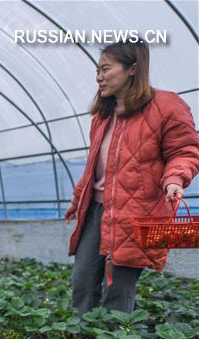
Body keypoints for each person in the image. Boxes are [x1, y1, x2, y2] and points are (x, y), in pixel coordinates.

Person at [65, 39, 199, 316]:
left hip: (137, 211)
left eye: (105, 69)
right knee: (82, 282)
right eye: (97, 70)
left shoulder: (167, 106)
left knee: (119, 288)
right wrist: (78, 200)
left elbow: (185, 151)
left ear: (133, 69)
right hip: (97, 210)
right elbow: (94, 168)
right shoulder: (102, 115)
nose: (99, 77)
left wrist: (175, 179)